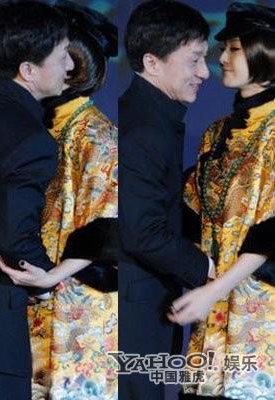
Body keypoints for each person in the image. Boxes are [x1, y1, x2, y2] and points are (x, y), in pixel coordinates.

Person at [0, 1, 80, 398]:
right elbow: (14, 238)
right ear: (28, 70)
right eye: (63, 56)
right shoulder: (32, 139)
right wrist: (46, 282)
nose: (70, 66)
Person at [0, 1, 119, 398]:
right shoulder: (34, 124)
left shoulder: (97, 135)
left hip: (77, 306)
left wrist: (51, 276)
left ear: (73, 65)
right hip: (32, 292)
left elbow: (105, 228)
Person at [168, 3, 274, 399]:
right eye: (224, 49)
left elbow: (271, 230)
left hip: (261, 308)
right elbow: (192, 211)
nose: (222, 59)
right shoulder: (216, 133)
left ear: (266, 54)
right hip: (212, 308)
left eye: (234, 49)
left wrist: (214, 290)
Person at [118, 1, 216, 398]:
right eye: (194, 60)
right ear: (152, 62)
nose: (205, 72)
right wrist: (208, 268)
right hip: (132, 316)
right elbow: (143, 231)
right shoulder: (143, 129)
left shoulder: (154, 117)